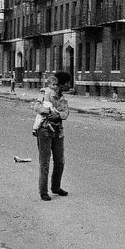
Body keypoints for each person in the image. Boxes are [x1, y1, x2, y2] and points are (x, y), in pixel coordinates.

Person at [32, 70, 71, 201]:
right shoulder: (46, 92)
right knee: (45, 161)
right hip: (45, 129)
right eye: (67, 83)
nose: (69, 86)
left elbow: (66, 113)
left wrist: (58, 115)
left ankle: (56, 187)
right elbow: (37, 106)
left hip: (58, 130)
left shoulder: (62, 98)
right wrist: (49, 112)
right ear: (60, 83)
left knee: (60, 161)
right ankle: (43, 191)